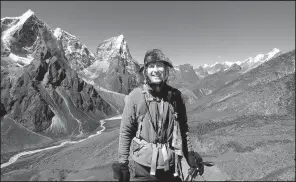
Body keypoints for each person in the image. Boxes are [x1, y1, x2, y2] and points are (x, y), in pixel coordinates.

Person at [112, 49, 204, 182]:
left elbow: (183, 129)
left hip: (171, 166)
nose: (156, 70)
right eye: (151, 66)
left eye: (160, 65)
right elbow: (125, 131)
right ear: (145, 71)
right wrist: (123, 163)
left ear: (166, 70)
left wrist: (189, 154)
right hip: (143, 168)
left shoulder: (176, 97)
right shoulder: (135, 96)